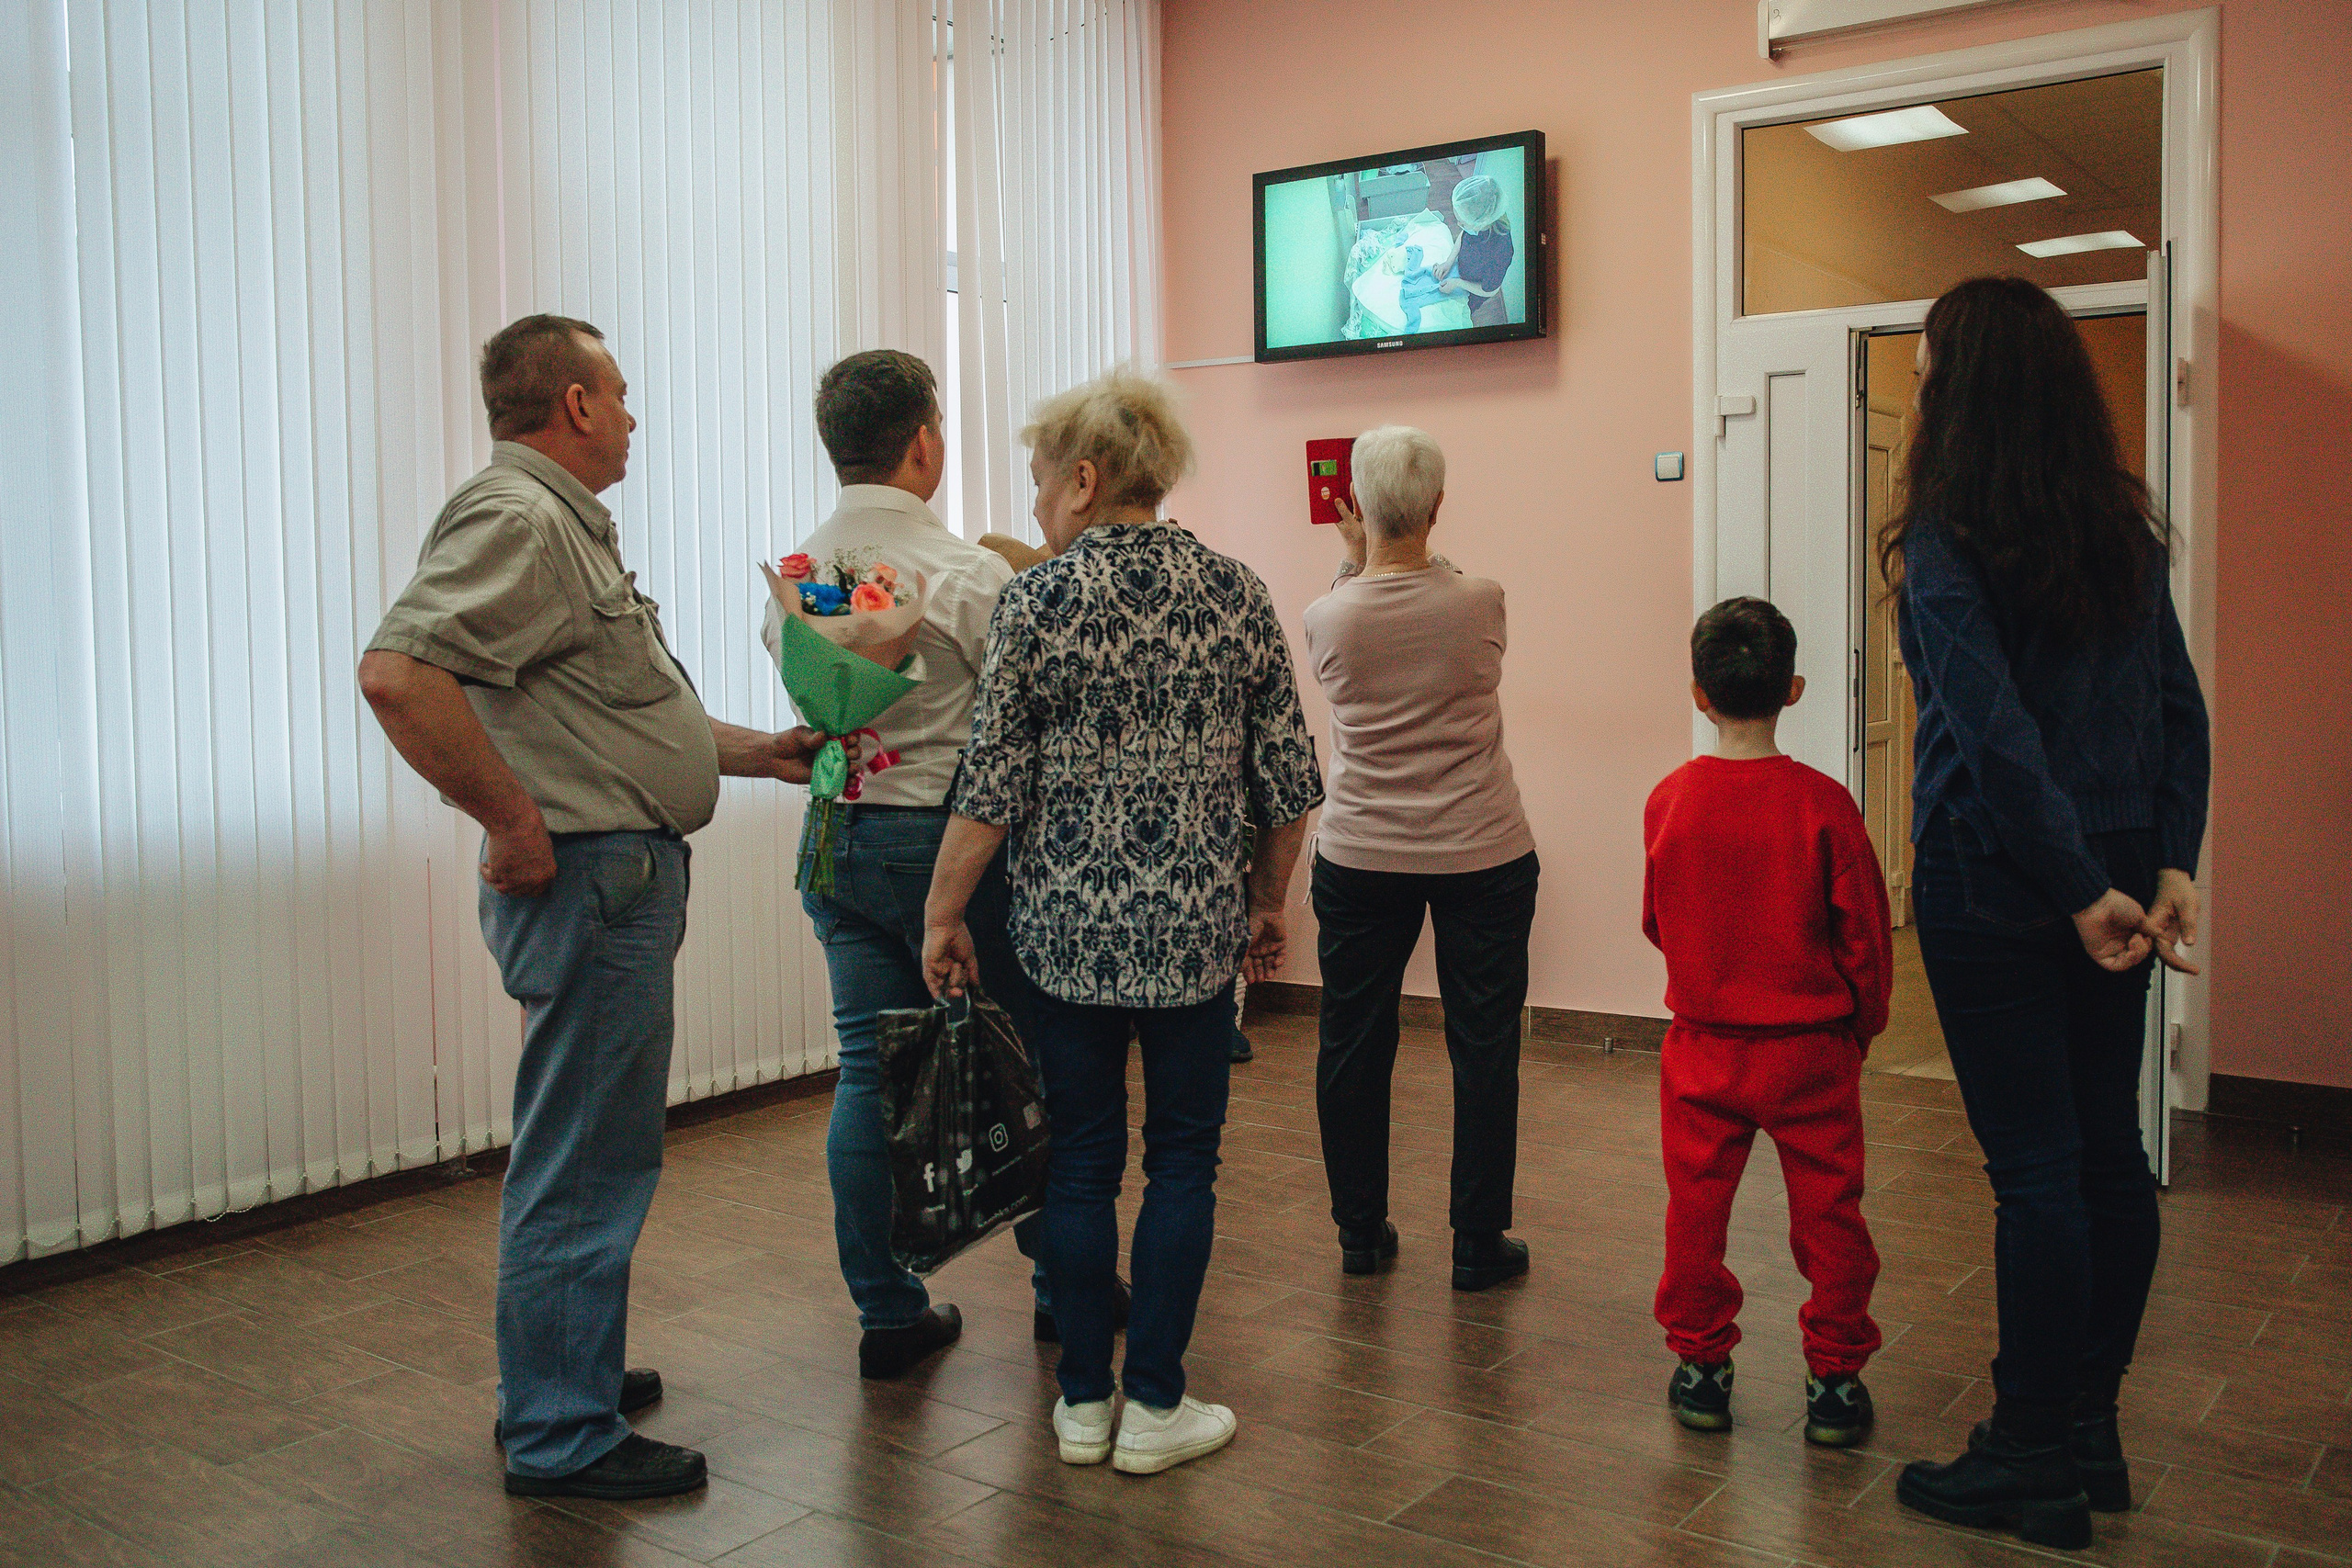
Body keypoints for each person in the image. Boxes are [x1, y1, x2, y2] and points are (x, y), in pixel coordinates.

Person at [358, 315, 834, 1501]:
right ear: (574, 403)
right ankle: (561, 1431)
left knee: (596, 1146)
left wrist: (752, 749)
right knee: (583, 1159)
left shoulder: (558, 527)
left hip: (613, 876)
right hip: (587, 881)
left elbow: (612, 716)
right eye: (619, 394)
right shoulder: (520, 518)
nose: (631, 415)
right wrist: (513, 823)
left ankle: (571, 1371)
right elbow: (398, 671)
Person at [921, 368, 1322, 1475]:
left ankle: (1083, 1403)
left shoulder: (1036, 602)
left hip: (1063, 940)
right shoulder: (1236, 593)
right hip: (1195, 941)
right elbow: (1290, 784)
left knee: (1083, 1166)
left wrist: (943, 913)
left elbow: (989, 786)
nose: (1039, 498)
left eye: (1042, 477)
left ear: (1086, 477)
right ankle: (1156, 1406)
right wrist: (1263, 903)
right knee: (1183, 1164)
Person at [1888, 277, 2208, 1551]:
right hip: (2119, 861)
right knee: (2103, 1154)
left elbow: (1993, 738)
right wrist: (2166, 859)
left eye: (1922, 363)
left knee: (2038, 1170)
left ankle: (2029, 1449)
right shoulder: (2120, 528)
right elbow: (2180, 708)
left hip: (2005, 879)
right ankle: (2087, 1427)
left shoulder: (1945, 537)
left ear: (1954, 384)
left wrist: (2079, 888)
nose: (1913, 381)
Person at [776, 349, 1100, 1376]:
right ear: (924, 443)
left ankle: (886, 1312)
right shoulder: (969, 573)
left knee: (868, 1076)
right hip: (955, 855)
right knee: (1034, 1063)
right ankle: (1062, 1290)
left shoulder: (798, 574)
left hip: (842, 833)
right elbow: (1028, 723)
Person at [1643, 598, 1893, 1450]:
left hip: (1704, 1044)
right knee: (1831, 1213)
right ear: (1792, 688)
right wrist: (1862, 1027)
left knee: (1695, 1211)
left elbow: (1657, 918)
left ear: (1698, 694)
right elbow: (1865, 935)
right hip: (1810, 1049)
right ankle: (1834, 1378)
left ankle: (1702, 1366)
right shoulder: (1827, 804)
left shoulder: (1668, 800)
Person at [1305, 426, 1539, 1292]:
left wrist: (1354, 556)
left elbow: (1355, 625)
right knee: (1484, 1046)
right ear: (1439, 508)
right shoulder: (1483, 599)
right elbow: (1437, 598)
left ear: (1355, 507)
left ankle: (1360, 1231)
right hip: (1484, 847)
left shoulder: (1327, 613)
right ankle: (1478, 1242)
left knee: (1353, 1041)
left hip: (1363, 852)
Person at [1438, 174, 1515, 328]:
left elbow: (1491, 290)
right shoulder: (1477, 221)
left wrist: (1456, 283)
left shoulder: (1500, 251)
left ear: (1482, 222)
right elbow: (1465, 234)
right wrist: (1449, 261)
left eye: (1463, 222)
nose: (1458, 223)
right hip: (1464, 269)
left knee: (1461, 314)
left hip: (1475, 291)